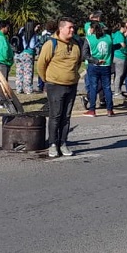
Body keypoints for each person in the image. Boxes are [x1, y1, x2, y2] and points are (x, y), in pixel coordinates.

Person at [35, 17, 83, 158]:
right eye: (69, 27)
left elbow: (78, 63)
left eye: (73, 27)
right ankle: (53, 144)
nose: (72, 30)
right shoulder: (51, 44)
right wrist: (47, 80)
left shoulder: (75, 45)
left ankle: (63, 142)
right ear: (60, 29)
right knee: (55, 116)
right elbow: (41, 65)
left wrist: (72, 76)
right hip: (55, 86)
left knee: (66, 117)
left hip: (71, 85)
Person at [82, 21, 116, 117]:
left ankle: (92, 109)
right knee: (107, 88)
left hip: (94, 66)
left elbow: (85, 54)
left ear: (92, 29)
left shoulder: (89, 39)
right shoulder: (108, 38)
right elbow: (111, 51)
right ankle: (110, 109)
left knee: (93, 87)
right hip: (106, 65)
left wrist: (95, 60)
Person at [113, 19, 127, 99]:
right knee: (119, 75)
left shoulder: (121, 34)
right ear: (122, 27)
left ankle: (118, 90)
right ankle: (116, 92)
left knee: (120, 74)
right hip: (120, 57)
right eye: (126, 27)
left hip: (123, 56)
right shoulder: (119, 34)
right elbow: (122, 45)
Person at [14, 21, 38, 95]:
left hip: (18, 54)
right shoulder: (32, 35)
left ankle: (18, 89)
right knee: (28, 72)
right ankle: (28, 89)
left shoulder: (21, 32)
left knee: (19, 72)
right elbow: (32, 45)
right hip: (27, 54)